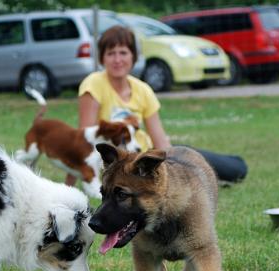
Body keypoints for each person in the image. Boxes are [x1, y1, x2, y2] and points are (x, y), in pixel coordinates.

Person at [66, 26, 247, 188]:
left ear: (133, 57)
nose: (117, 59)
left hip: (146, 160)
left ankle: (225, 170)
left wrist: (174, 162)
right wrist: (70, 185)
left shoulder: (143, 89)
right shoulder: (93, 84)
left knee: (232, 169)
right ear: (102, 58)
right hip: (114, 162)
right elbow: (83, 143)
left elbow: (160, 142)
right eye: (111, 53)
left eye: (123, 52)